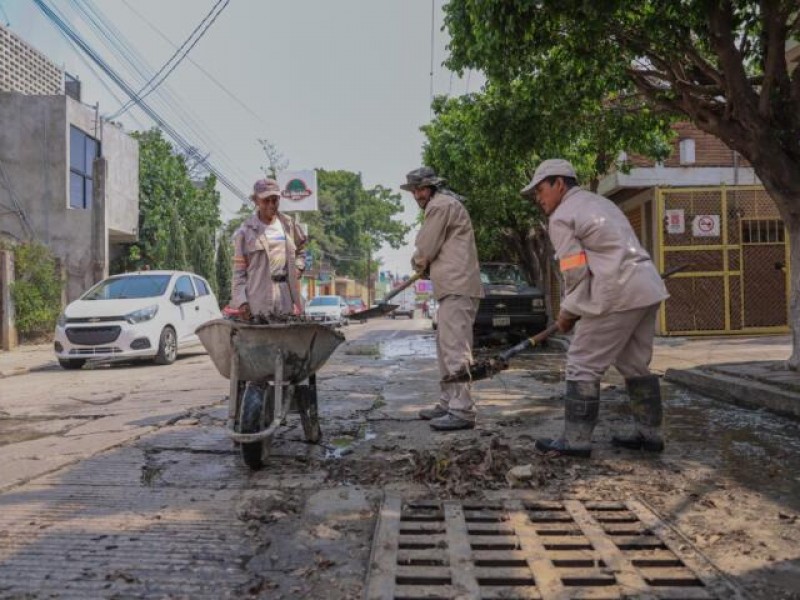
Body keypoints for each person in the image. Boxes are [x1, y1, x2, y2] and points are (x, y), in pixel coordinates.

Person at [521, 159, 669, 457]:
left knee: (582, 363)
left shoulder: (562, 216)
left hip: (615, 292)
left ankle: (575, 440)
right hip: (645, 286)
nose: (538, 199)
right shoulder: (600, 204)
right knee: (635, 365)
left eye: (540, 191)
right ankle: (650, 435)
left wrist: (568, 312)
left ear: (559, 184)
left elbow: (575, 271)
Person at [402, 167, 484, 431]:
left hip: (457, 287)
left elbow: (426, 246)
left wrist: (419, 263)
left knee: (455, 349)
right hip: (453, 288)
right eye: (414, 191)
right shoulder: (445, 204)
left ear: (430, 188)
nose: (417, 195)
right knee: (445, 347)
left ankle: (462, 410)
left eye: (420, 190)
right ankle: (448, 402)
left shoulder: (439, 206)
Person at [232, 178, 307, 320]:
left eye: (275, 200)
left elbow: (301, 251)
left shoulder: (288, 225)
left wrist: (298, 267)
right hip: (258, 300)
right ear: (256, 201)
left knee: (285, 338)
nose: (271, 205)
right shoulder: (245, 232)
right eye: (266, 200)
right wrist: (242, 302)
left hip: (284, 297)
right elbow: (238, 273)